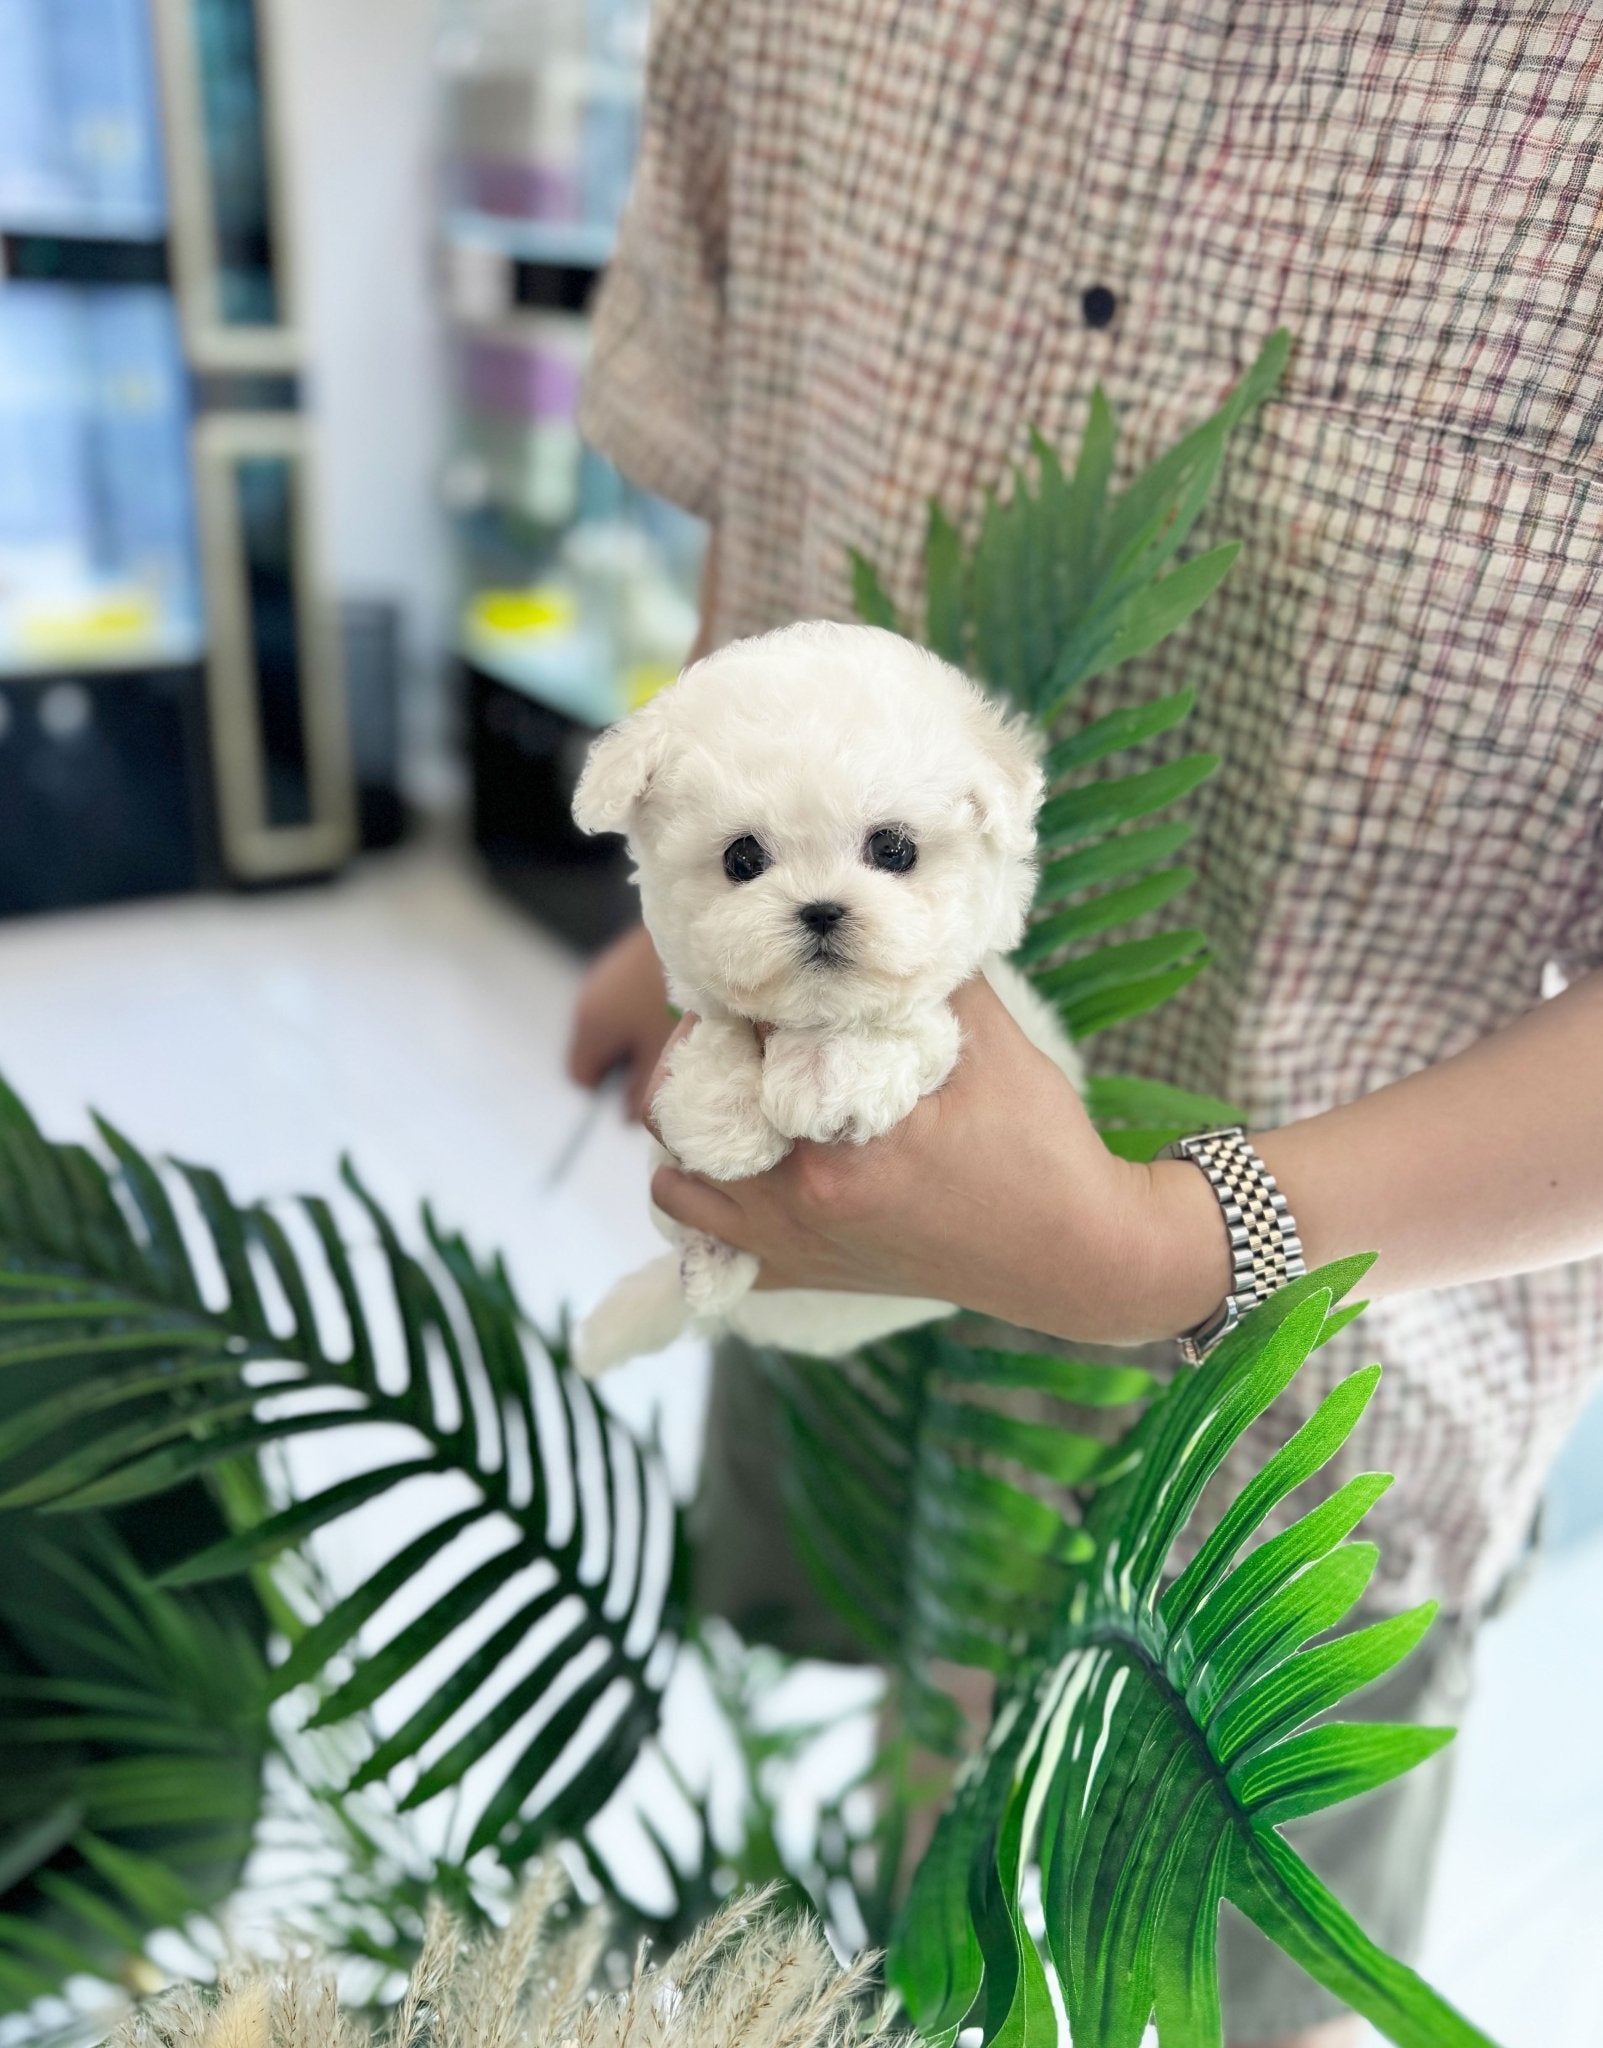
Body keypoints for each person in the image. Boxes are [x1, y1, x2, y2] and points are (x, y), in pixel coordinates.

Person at [567, 5, 1603, 2043]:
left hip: (1308, 1412)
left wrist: (1159, 1240)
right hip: (834, 1261)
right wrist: (685, 917)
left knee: (1153, 1987)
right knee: (884, 1869)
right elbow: (751, 444)